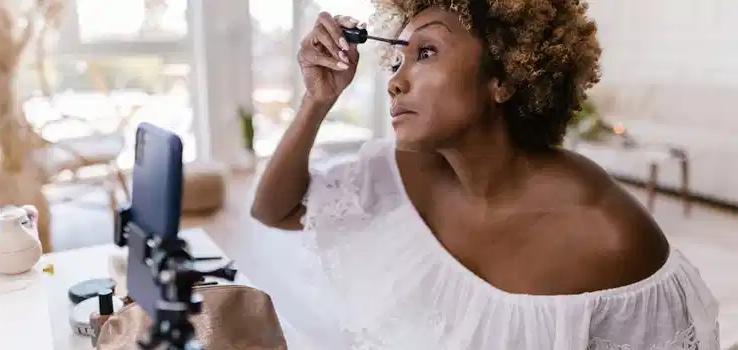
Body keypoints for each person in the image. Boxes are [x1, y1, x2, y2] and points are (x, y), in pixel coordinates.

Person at [251, 1, 720, 348]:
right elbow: (274, 209)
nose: (396, 80)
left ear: (506, 77)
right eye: (397, 60)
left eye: (427, 52)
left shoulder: (608, 236)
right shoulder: (396, 177)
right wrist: (317, 101)